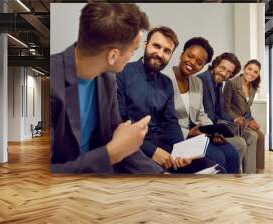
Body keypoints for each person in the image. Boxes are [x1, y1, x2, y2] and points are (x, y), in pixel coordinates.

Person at [50, 3, 162, 174]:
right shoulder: (52, 83)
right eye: (134, 50)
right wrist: (111, 154)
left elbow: (118, 140)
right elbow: (48, 171)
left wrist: (162, 176)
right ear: (113, 55)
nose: (133, 56)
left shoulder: (108, 79)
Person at [117, 27, 216, 173]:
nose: (160, 54)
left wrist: (182, 151)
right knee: (166, 178)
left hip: (163, 145)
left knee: (212, 169)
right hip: (133, 148)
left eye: (167, 51)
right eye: (156, 46)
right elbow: (118, 124)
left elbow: (170, 122)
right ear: (145, 45)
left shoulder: (166, 83)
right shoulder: (122, 73)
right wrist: (153, 152)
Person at [166, 37, 240, 173]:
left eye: (199, 62)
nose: (192, 63)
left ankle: (231, 191)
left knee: (232, 154)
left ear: (203, 66)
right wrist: (188, 133)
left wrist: (213, 130)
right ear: (182, 54)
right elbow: (163, 120)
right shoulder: (165, 79)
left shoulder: (197, 83)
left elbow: (201, 114)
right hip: (177, 136)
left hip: (198, 133)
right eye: (190, 56)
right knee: (217, 156)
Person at [198, 53, 256, 173]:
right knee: (240, 142)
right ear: (215, 65)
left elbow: (220, 110)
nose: (224, 73)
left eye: (229, 72)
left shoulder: (218, 83)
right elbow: (204, 115)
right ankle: (234, 176)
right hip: (203, 130)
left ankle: (242, 174)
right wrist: (217, 130)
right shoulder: (202, 80)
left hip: (216, 126)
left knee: (249, 137)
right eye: (222, 68)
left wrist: (234, 119)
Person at [223, 59, 265, 172]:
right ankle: (249, 173)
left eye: (255, 72)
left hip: (244, 122)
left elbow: (246, 110)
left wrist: (252, 120)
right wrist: (247, 122)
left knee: (261, 134)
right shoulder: (231, 83)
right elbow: (225, 109)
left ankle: (257, 170)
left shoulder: (253, 87)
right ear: (244, 68)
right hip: (232, 123)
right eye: (249, 69)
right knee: (253, 136)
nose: (251, 73)